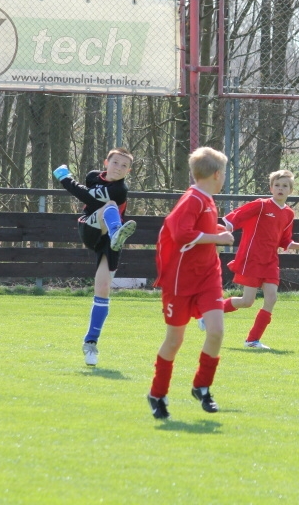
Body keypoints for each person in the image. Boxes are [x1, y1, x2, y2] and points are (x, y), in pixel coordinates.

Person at [147, 147, 235, 421]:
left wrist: (216, 233)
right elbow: (181, 233)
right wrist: (218, 238)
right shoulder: (192, 199)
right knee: (174, 341)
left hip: (208, 276)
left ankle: (202, 386)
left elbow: (198, 234)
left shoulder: (208, 199)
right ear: (217, 174)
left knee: (216, 331)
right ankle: (157, 394)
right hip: (179, 283)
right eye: (225, 174)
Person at [199, 169, 299, 349]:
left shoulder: (289, 214)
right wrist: (217, 230)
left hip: (271, 261)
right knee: (247, 301)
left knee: (272, 298)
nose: (280, 188)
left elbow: (285, 241)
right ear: (271, 188)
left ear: (291, 190)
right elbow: (234, 218)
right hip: (252, 259)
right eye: (277, 185)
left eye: (284, 186)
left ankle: (252, 340)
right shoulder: (261, 205)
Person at [53, 148, 138, 367]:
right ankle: (116, 231)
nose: (119, 168)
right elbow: (87, 196)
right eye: (116, 163)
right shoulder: (92, 177)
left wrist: (64, 178)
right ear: (106, 162)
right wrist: (69, 180)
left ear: (129, 171)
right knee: (108, 207)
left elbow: (85, 194)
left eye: (124, 166)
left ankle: (90, 343)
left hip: (110, 241)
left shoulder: (120, 189)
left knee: (102, 291)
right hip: (91, 227)